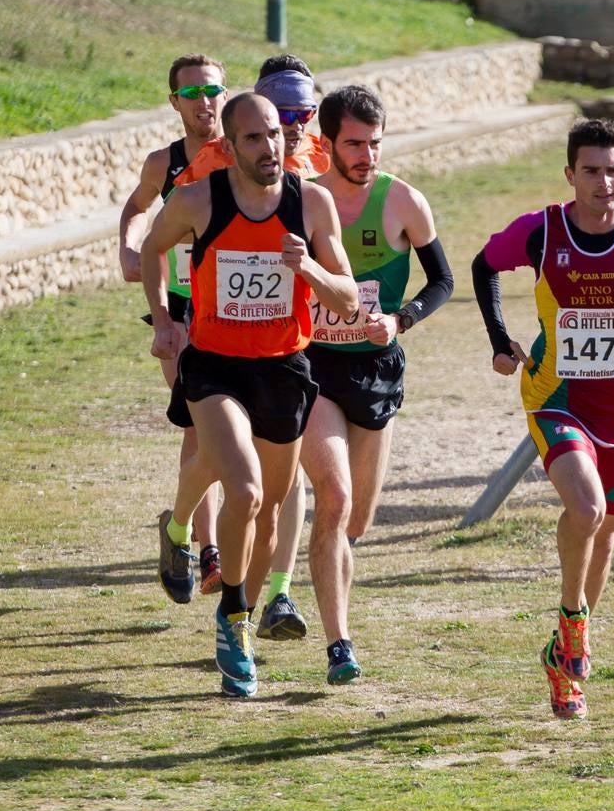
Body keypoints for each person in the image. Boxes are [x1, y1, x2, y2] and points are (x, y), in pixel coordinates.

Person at [472, 119, 614, 719]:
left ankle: (560, 659)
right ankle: (573, 625)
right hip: (555, 398)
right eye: (591, 171)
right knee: (587, 509)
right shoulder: (542, 230)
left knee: (606, 534)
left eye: (613, 170)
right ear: (570, 175)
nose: (603, 182)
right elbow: (482, 264)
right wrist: (500, 337)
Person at [141, 93, 359, 698]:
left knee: (264, 519)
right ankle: (234, 623)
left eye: (276, 135)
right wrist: (163, 317)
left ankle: (187, 541)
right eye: (255, 139)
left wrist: (308, 270)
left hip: (283, 370)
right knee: (245, 488)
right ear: (229, 147)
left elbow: (346, 299)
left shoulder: (310, 202)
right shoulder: (196, 199)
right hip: (213, 367)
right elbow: (153, 249)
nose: (271, 148)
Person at [267, 85, 453, 685]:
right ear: (325, 142)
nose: (366, 154)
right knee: (336, 496)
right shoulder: (301, 201)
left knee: (356, 522)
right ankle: (338, 644)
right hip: (312, 366)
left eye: (375, 143)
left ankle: (319, 582)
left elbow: (443, 282)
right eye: (354, 143)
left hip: (375, 369)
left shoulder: (404, 202)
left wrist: (400, 319)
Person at [120, 54, 229, 603]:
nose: (204, 101)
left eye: (213, 90)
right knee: (200, 425)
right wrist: (127, 245)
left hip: (232, 310)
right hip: (183, 309)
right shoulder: (162, 164)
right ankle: (207, 551)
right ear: (174, 103)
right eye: (192, 93)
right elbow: (135, 209)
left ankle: (186, 532)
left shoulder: (243, 156)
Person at [175, 54, 329, 187]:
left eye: (305, 114)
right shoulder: (214, 159)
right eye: (285, 115)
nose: (297, 126)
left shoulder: (321, 155)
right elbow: (174, 216)